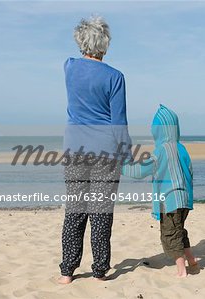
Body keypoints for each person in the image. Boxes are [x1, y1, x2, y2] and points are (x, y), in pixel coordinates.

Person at [58, 16, 131, 284]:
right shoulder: (115, 77)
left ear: (81, 41)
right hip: (106, 153)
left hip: (75, 150)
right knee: (101, 212)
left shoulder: (69, 67)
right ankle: (100, 270)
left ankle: (67, 271)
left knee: (75, 210)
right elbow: (118, 121)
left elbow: (74, 58)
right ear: (105, 44)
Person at [122, 104, 198, 277]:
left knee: (170, 234)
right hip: (184, 199)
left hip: (169, 200)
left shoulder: (161, 151)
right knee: (179, 230)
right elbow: (191, 173)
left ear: (159, 131)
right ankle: (192, 260)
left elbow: (140, 171)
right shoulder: (181, 148)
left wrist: (122, 166)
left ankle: (182, 270)